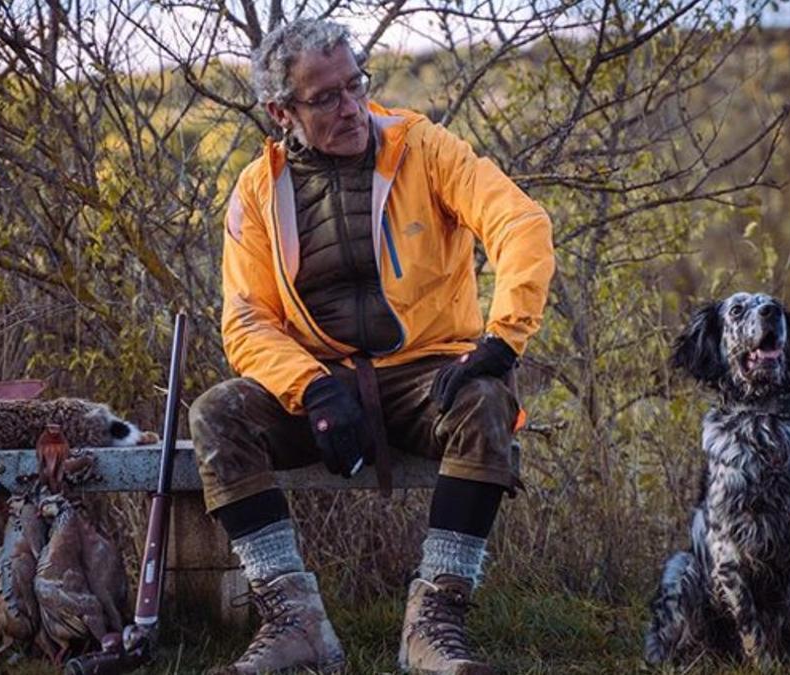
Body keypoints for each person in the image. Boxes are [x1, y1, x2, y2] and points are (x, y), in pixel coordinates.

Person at [189, 17, 554, 675]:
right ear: (282, 111)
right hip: (323, 387)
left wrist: (502, 338)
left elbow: (520, 222)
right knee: (218, 414)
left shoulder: (423, 146)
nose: (350, 106)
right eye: (325, 97)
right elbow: (246, 321)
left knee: (485, 399)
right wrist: (313, 386)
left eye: (355, 85)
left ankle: (433, 629)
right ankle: (295, 624)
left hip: (427, 374)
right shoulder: (255, 191)